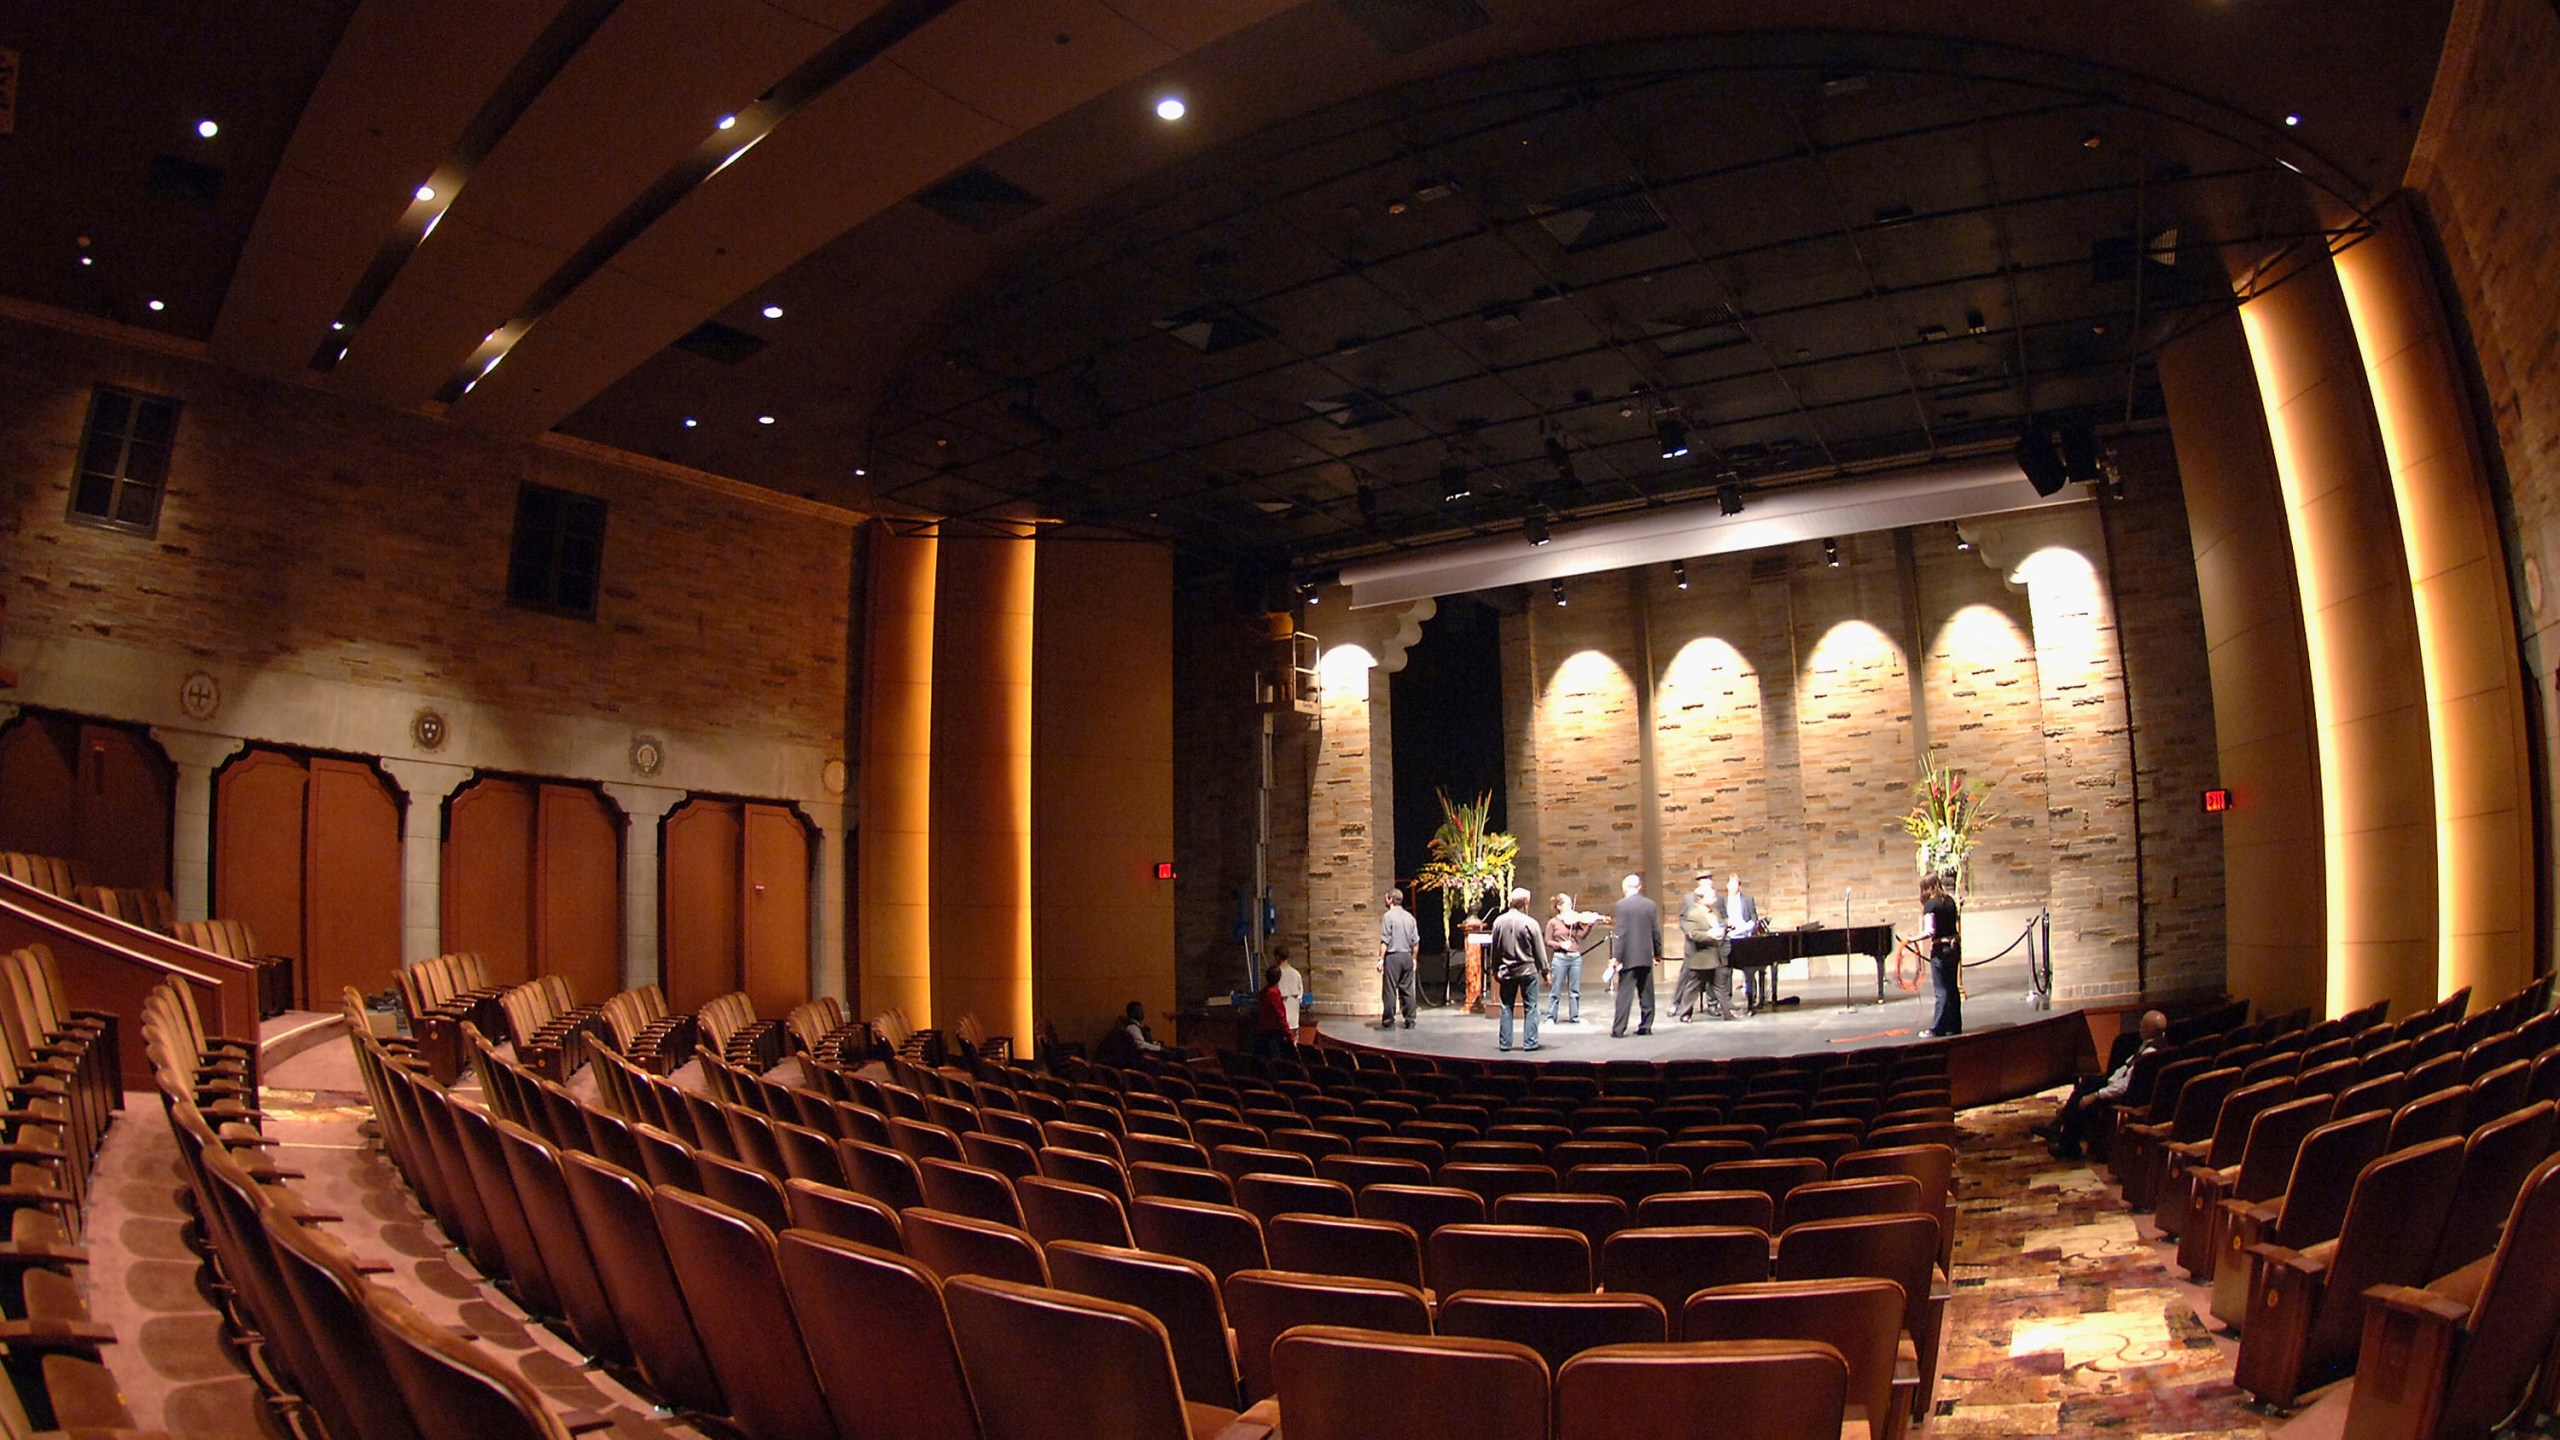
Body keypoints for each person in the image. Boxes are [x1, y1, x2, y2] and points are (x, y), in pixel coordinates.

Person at [2037, 1010, 2168, 1159]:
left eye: (2143, 1025)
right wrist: (2109, 1079)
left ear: (2151, 1030)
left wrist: (2096, 1095)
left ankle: (2068, 1143)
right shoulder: (2155, 1043)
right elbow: (2127, 1067)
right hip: (2116, 1081)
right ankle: (2061, 1126)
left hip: (2125, 1095)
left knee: (2084, 1100)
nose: (2139, 1027)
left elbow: (2125, 1085)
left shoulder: (2150, 1055)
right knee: (2087, 1084)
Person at [1488, 887, 1548, 1052]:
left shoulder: (1498, 922)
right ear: (1525, 903)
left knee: (1506, 1006)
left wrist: (1494, 969)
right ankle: (1530, 1043)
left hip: (1507, 971)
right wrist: (1545, 971)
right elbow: (1539, 950)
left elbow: (1495, 949)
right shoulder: (1531, 923)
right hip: (1527, 971)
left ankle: (1505, 1043)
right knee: (1531, 1007)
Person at [1674, 869, 1731, 1021]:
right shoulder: (1693, 913)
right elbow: (1691, 931)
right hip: (1700, 957)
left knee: (1720, 986)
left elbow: (1722, 921)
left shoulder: (1715, 911)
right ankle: (1684, 1012)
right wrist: (1709, 935)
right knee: (1693, 985)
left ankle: (1727, 1013)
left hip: (1715, 954)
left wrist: (1723, 929)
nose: (1714, 898)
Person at [1608, 873, 1661, 1037]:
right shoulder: (1650, 905)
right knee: (1646, 993)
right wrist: (1658, 953)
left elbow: (1621, 933)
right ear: (1639, 887)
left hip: (1628, 956)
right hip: (1645, 955)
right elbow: (1655, 931)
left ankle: (1618, 1029)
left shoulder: (1621, 906)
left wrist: (1616, 956)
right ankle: (1646, 1026)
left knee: (1625, 994)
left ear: (1625, 888)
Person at [1543, 893, 1599, 1023]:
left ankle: (1575, 1016)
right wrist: (1561, 944)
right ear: (1559, 906)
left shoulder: (1574, 920)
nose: (1570, 907)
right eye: (1567, 904)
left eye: (1570, 904)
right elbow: (1547, 941)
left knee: (1575, 990)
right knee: (1556, 989)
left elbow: (1582, 936)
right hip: (1560, 958)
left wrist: (1589, 925)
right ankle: (1551, 1017)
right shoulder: (1553, 922)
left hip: (1575, 958)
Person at [1918, 874, 1963, 1036]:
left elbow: (1930, 931)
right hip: (1954, 947)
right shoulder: (1949, 900)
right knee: (1952, 988)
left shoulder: (1931, 905)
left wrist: (1911, 940)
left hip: (1940, 950)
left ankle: (1937, 1028)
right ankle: (1954, 1025)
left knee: (1941, 989)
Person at [1378, 888, 1419, 1029]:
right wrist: (1414, 958)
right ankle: (1410, 1020)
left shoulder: (1388, 917)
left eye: (1386, 898)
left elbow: (1385, 940)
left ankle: (1389, 1021)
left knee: (1389, 990)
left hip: (1393, 956)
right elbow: (1415, 942)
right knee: (1407, 989)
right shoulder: (1410, 918)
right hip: (1407, 956)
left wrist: (1381, 959)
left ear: (1390, 899)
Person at [1724, 872, 1763, 1012]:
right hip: (1728, 938)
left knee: (1749, 969)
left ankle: (1751, 997)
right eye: (1731, 884)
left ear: (1739, 886)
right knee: (1727, 970)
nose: (1734, 887)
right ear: (1727, 885)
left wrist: (1746, 927)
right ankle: (1727, 1000)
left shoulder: (1747, 899)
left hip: (1744, 938)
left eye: (1736, 884)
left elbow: (1754, 918)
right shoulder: (1723, 901)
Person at [1252, 963, 1294, 1059]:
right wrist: (1289, 1035)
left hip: (1263, 1031)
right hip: (1273, 1035)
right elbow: (1280, 1014)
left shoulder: (1263, 992)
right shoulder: (1273, 993)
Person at [1274, 944, 1305, 1034]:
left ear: (1277, 957)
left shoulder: (1275, 975)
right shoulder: (1296, 974)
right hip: (1294, 1023)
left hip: (1280, 1024)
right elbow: (1300, 997)